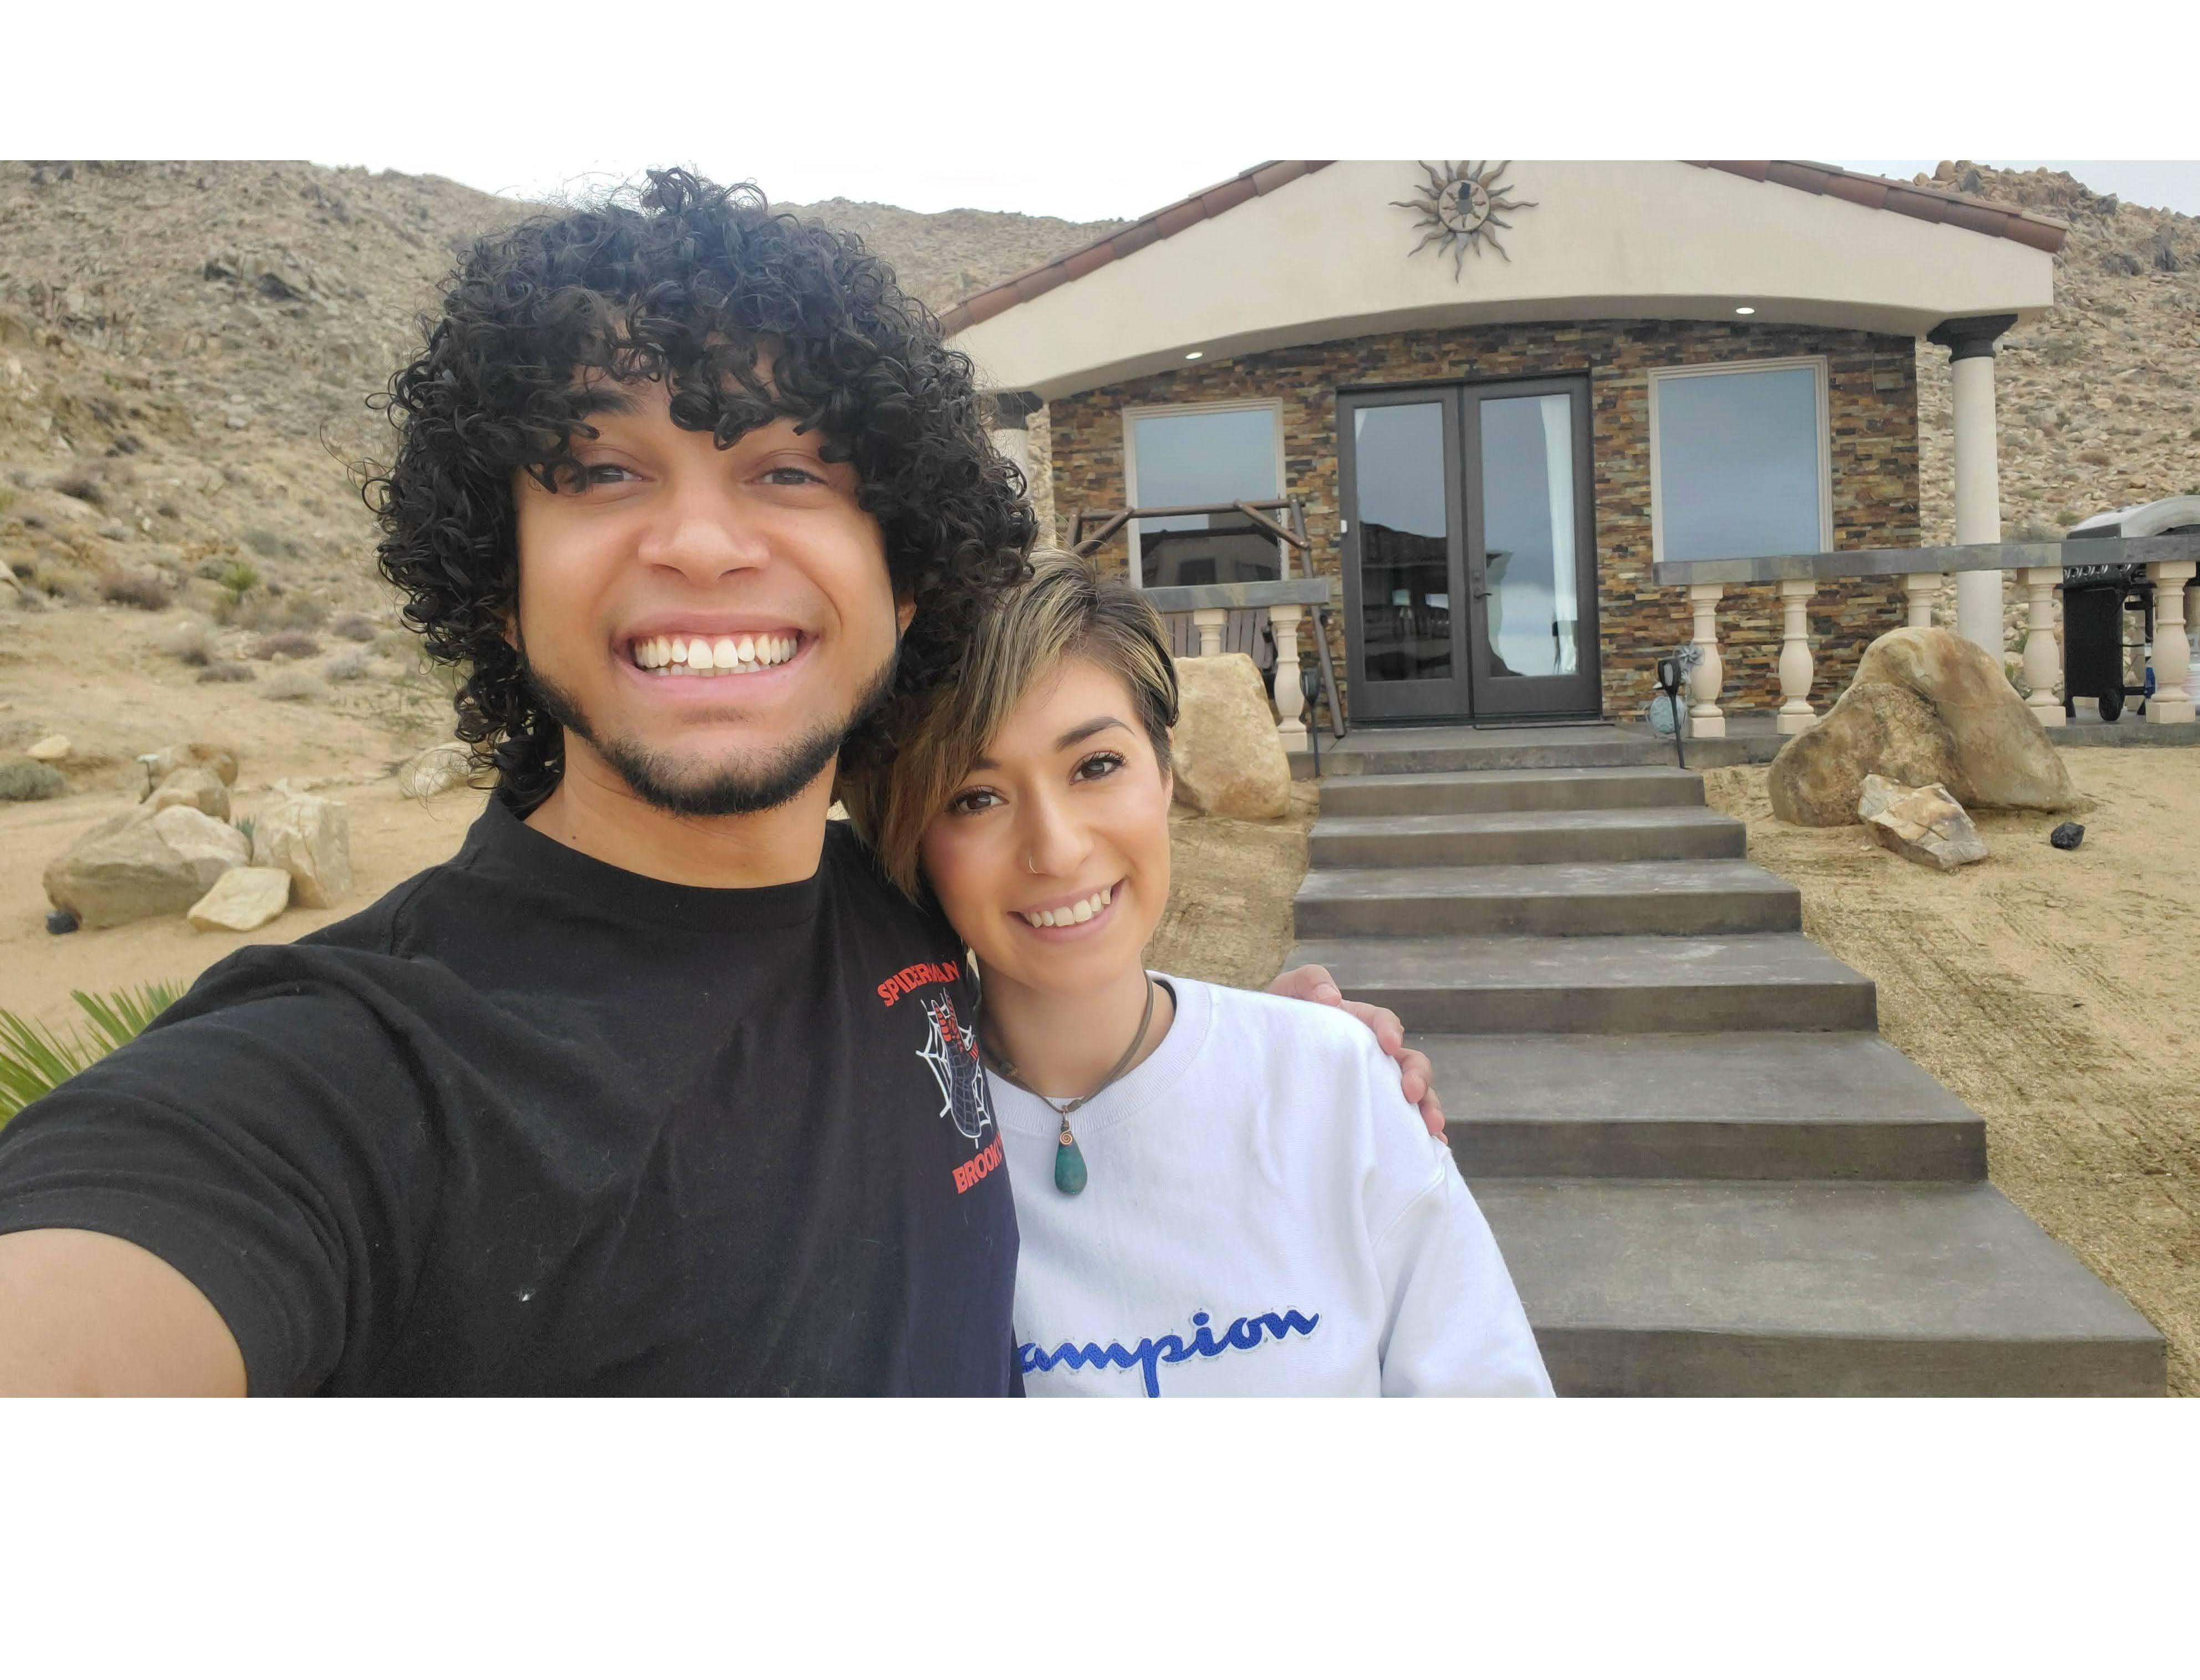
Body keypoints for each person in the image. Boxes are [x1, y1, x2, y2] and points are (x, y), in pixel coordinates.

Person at [0, 171, 1442, 1396]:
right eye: (600, 471)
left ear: (905, 582)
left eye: (792, 469)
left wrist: (1286, 1060)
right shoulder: (349, 1075)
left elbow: (1077, 995)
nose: (699, 541)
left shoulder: (906, 903)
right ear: (503, 589)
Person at [841, 553, 1551, 1397]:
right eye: (975, 797)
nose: (1056, 849)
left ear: (1165, 773)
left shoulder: (1337, 1087)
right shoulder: (880, 1154)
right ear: (912, 843)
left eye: (1096, 766)